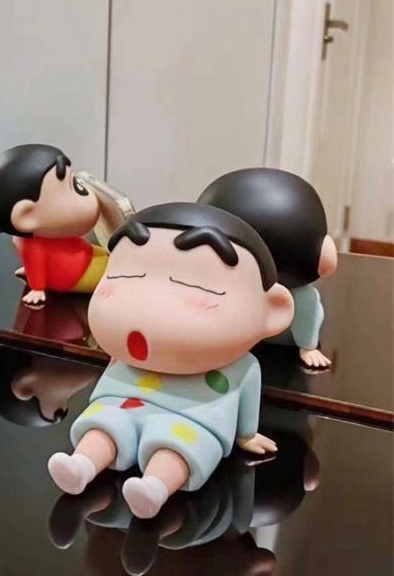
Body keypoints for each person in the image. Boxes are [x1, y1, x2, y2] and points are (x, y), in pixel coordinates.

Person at [47, 202, 294, 519]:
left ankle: (155, 488)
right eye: (125, 274)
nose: (145, 304)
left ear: (273, 311)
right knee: (104, 427)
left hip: (195, 417)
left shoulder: (242, 367)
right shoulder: (122, 356)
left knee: (176, 447)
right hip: (120, 403)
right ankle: (80, 466)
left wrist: (246, 434)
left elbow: (247, 398)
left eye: (197, 286)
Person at [198, 167, 338, 368]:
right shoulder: (225, 290)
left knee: (304, 300)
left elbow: (307, 316)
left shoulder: (301, 297)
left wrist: (308, 346)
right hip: (241, 341)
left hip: (285, 339)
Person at [0, 144, 106, 306]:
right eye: (73, 187)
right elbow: (35, 262)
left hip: (84, 255)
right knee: (114, 272)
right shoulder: (31, 245)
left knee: (110, 256)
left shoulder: (26, 239)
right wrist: (37, 288)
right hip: (76, 274)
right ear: (26, 217)